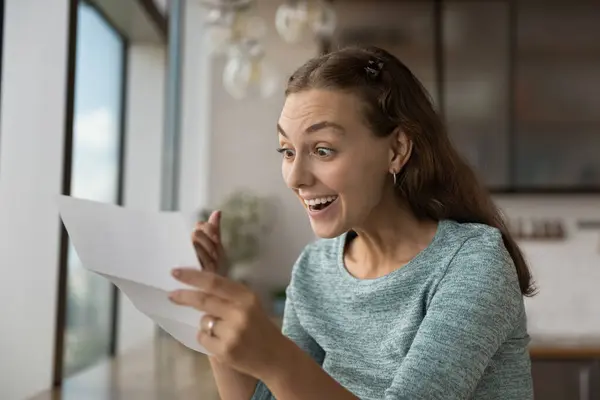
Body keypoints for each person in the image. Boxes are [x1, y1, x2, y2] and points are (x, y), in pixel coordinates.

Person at [168, 45, 535, 400]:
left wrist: (277, 360)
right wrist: (212, 304)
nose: (295, 177)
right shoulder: (315, 269)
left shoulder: (473, 263)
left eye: (322, 150)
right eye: (287, 151)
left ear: (396, 150)